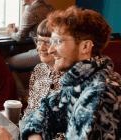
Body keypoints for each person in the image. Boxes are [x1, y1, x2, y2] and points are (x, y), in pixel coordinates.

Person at [20, 6, 121, 140]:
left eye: (58, 41)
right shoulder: (80, 81)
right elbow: (46, 111)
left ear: (85, 47)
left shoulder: (100, 96)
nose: (50, 50)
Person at [6, 0, 54, 103]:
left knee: (4, 64)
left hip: (42, 52)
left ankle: (24, 97)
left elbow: (19, 38)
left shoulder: (30, 11)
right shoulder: (50, 8)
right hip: (53, 51)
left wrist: (10, 32)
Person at [22, 19, 65, 120]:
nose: (41, 47)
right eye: (39, 41)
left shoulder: (69, 77)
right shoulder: (38, 69)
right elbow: (30, 108)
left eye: (48, 42)